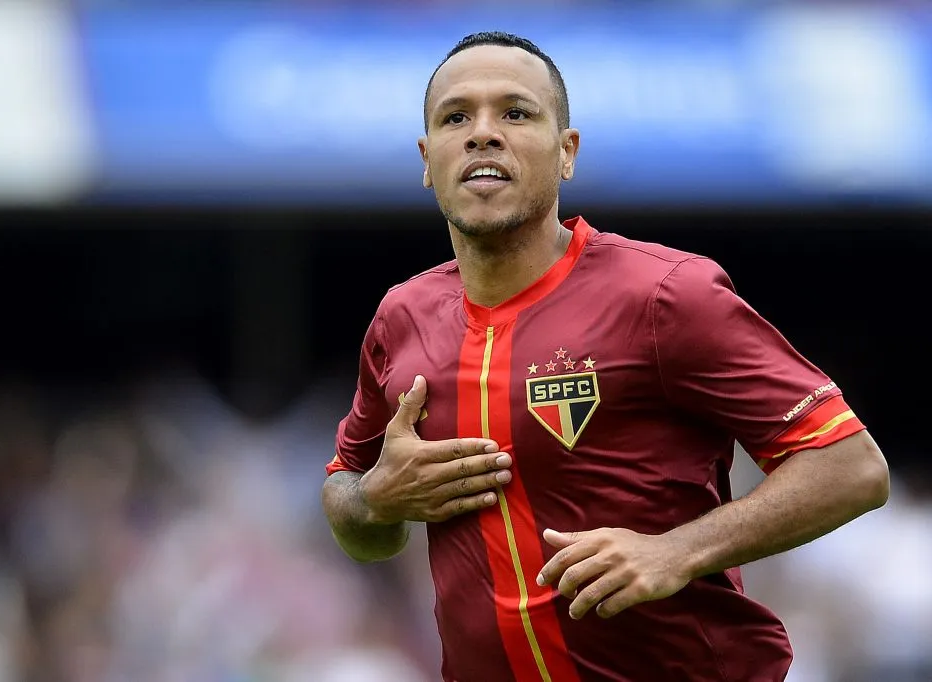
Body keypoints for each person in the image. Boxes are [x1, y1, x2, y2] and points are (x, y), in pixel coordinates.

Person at [320, 31, 890, 682]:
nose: (482, 134)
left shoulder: (664, 295)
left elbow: (851, 467)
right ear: (427, 159)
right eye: (456, 117)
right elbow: (351, 509)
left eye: (515, 112)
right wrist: (376, 499)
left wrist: (676, 551)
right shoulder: (402, 318)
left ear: (567, 153)